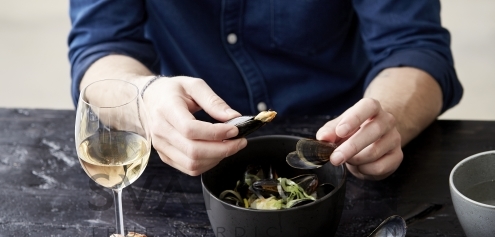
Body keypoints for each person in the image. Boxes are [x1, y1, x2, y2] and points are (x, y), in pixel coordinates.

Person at [68, 0, 463, 180]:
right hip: (180, 154)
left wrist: (388, 117)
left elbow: (416, 48)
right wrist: (145, 97)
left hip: (341, 156)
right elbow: (99, 49)